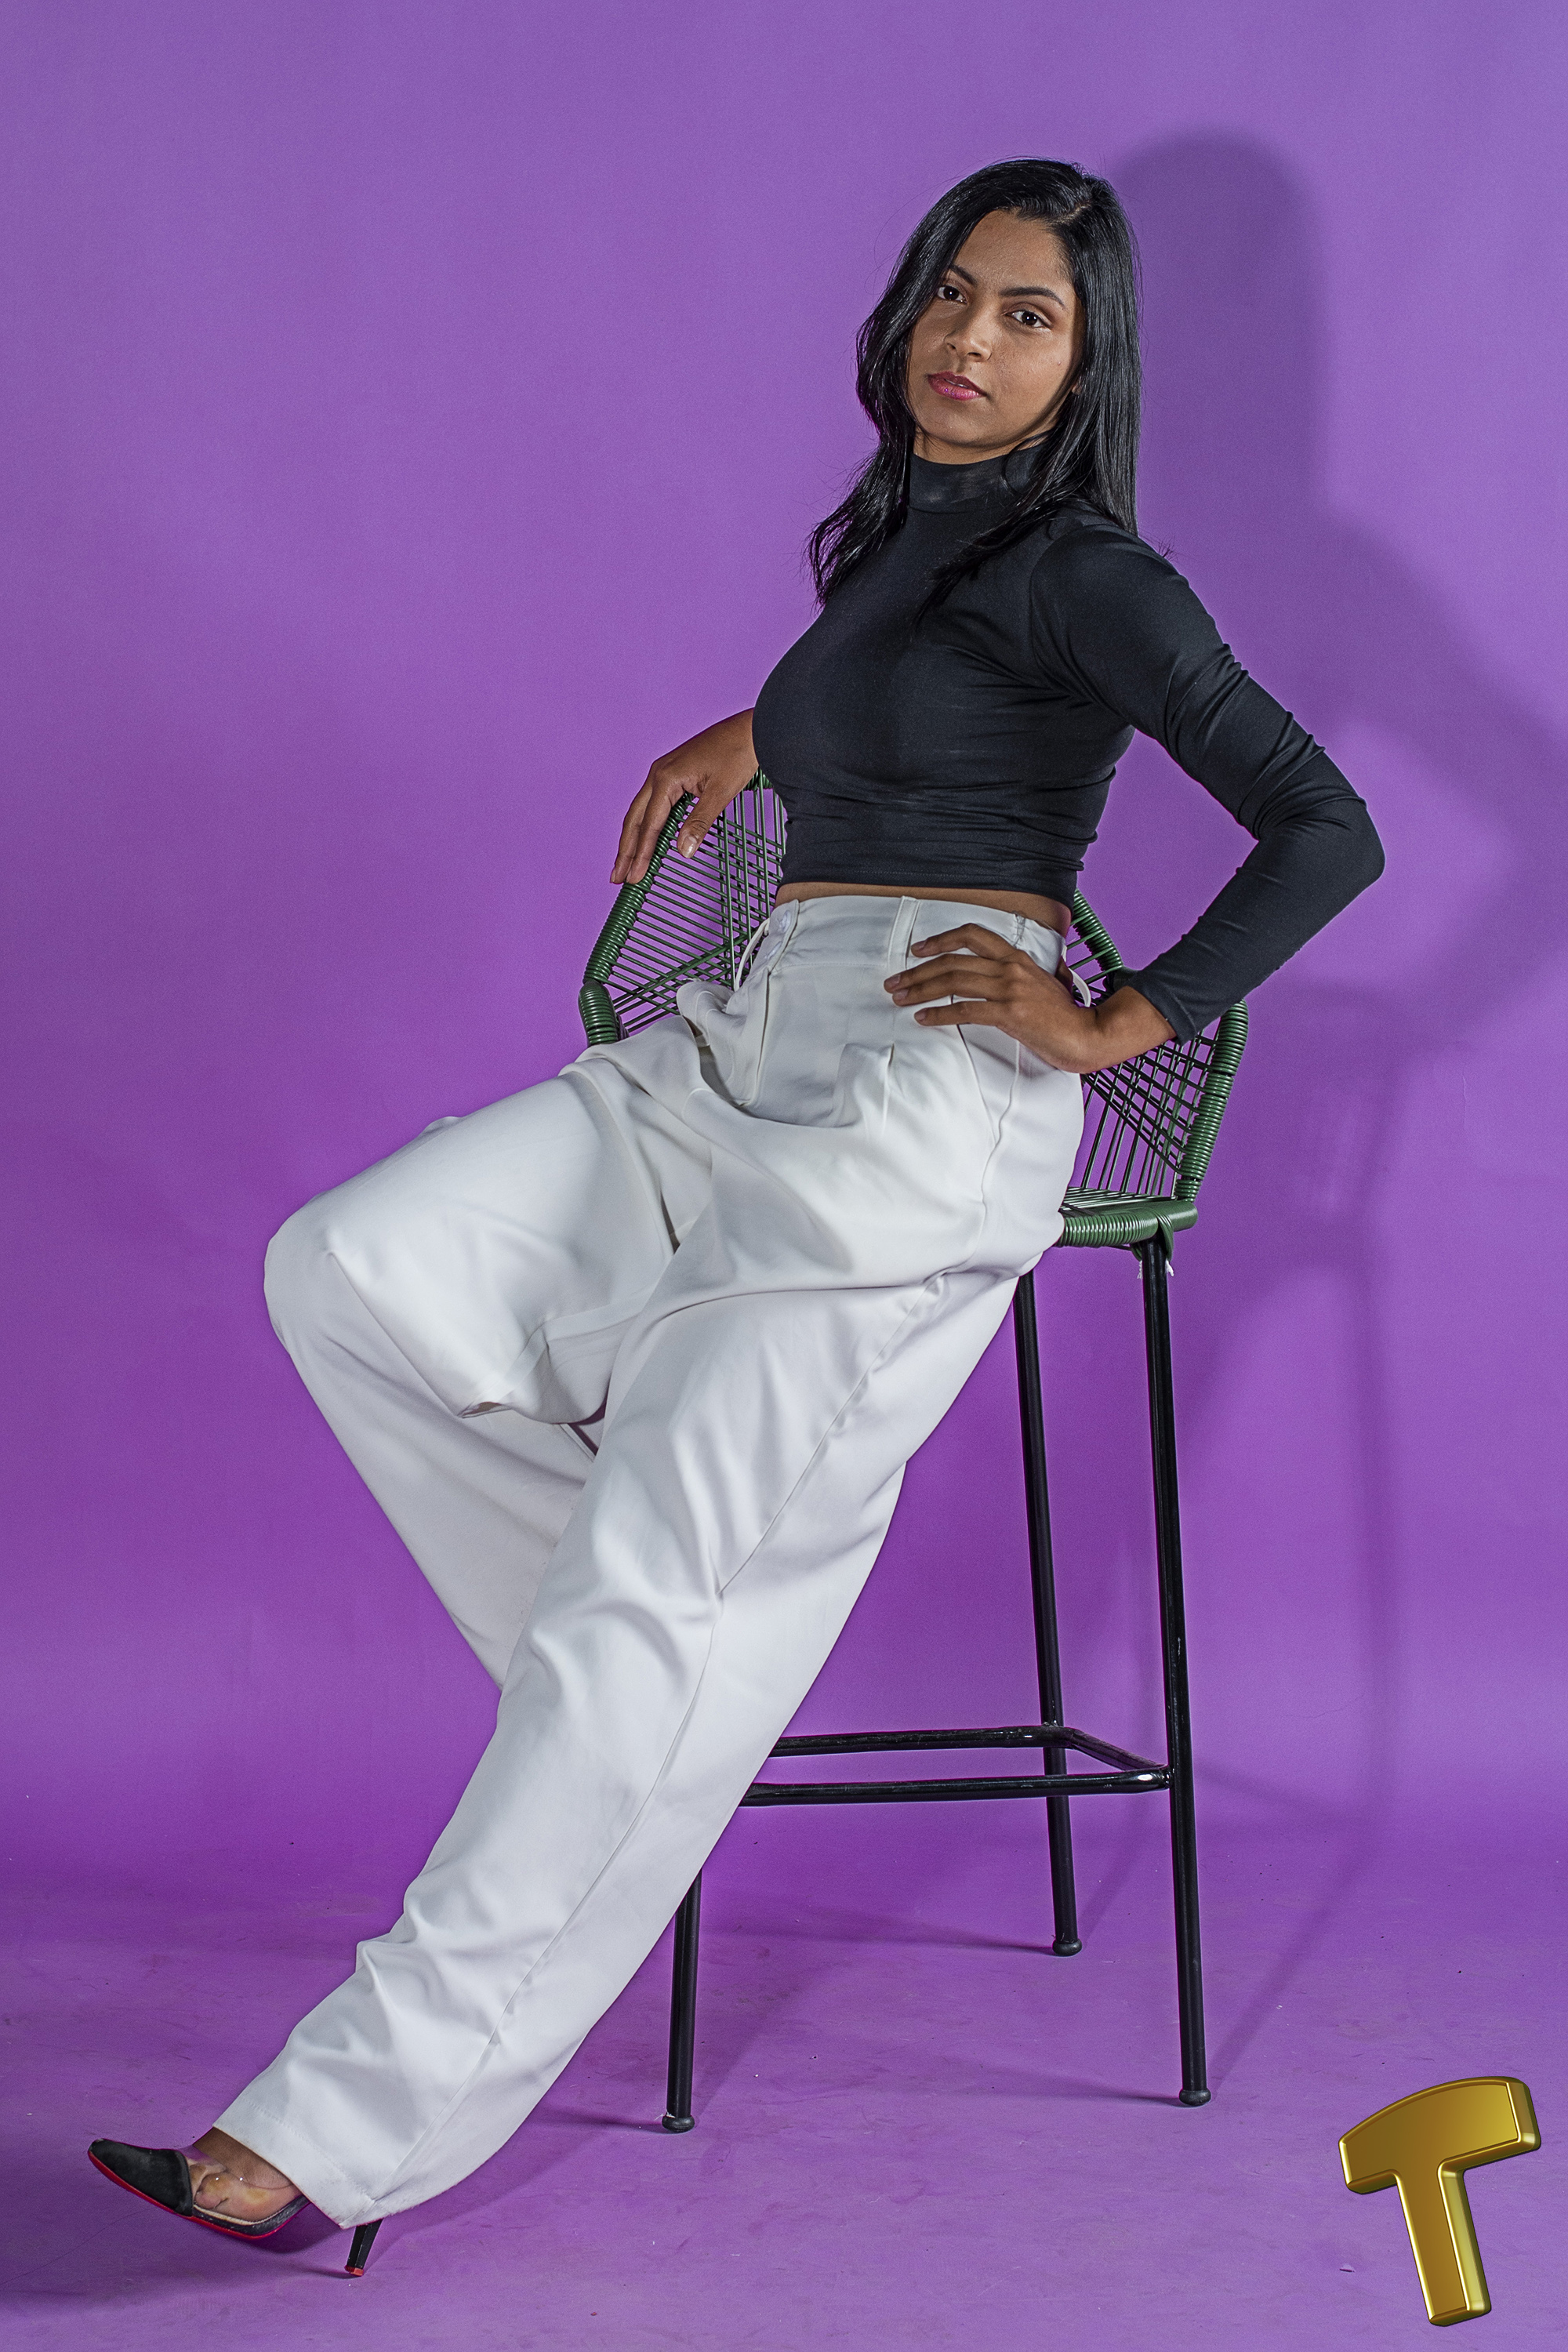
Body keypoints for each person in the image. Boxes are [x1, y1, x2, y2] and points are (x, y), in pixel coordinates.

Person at [89, 157, 1382, 2260]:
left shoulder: (1092, 572)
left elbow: (1327, 825)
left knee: (643, 1608)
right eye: (952, 294)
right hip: (742, 1039)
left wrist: (1116, 1016)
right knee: (353, 1272)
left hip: (916, 1091)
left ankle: (336, 2131)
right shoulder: (902, 534)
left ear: (1086, 368)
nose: (970, 342)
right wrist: (756, 730)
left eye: (1029, 318)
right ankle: (642, 1720)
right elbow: (904, 707)